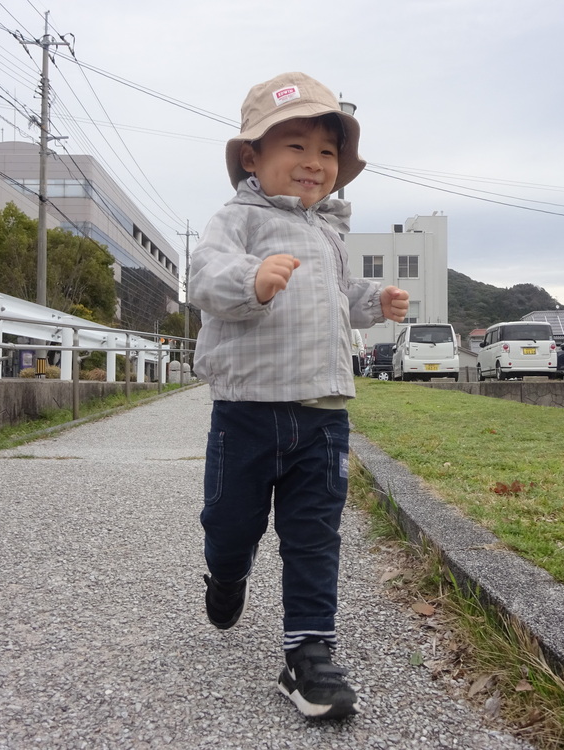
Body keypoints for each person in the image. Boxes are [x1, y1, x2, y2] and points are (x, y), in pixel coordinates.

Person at [188, 72, 409, 720]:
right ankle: (226, 575)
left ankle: (307, 653)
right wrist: (251, 280)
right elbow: (204, 275)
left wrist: (378, 302)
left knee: (314, 538)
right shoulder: (238, 220)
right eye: (297, 147)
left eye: (327, 152)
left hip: (322, 417)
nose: (314, 164)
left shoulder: (329, 235)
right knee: (230, 526)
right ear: (252, 157)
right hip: (247, 414)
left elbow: (340, 300)